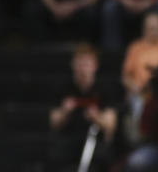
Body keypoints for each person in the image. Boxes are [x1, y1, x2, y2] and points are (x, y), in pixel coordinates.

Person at [48, 44, 119, 172]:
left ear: (95, 66)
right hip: (69, 137)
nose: (82, 69)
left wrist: (96, 117)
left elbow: (111, 125)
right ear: (73, 65)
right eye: (79, 64)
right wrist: (65, 112)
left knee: (104, 157)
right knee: (54, 155)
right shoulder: (64, 87)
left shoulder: (104, 88)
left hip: (94, 138)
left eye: (86, 64)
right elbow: (54, 122)